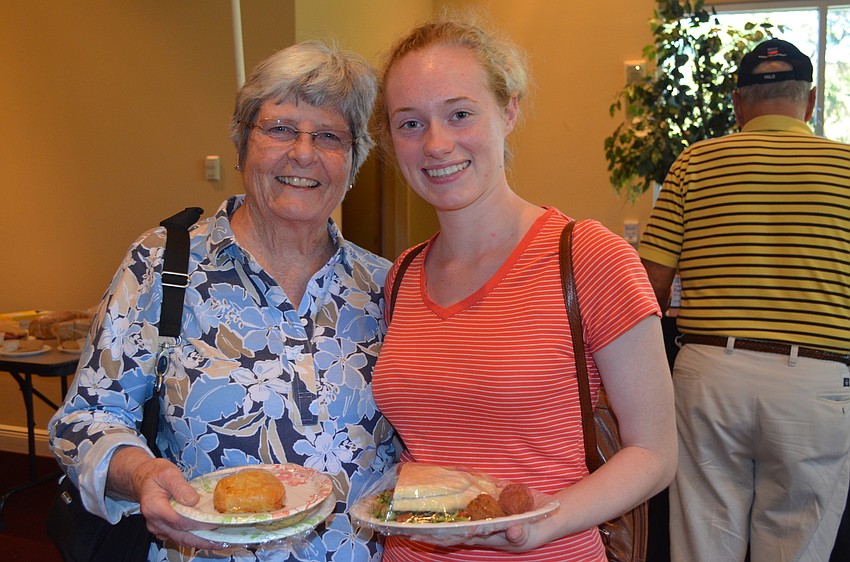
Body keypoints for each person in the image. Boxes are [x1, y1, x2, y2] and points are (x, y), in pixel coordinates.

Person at [48, 40, 398, 562]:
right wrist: (143, 474)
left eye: (328, 136)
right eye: (280, 129)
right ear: (242, 145)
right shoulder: (161, 264)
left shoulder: (387, 286)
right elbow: (86, 420)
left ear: (352, 160)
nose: (303, 153)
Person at [370, 15, 677, 562]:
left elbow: (654, 453)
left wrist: (543, 522)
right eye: (410, 124)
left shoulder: (588, 257)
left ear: (508, 111)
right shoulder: (402, 276)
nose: (436, 144)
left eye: (460, 114)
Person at [639, 38, 850, 562]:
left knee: (702, 543)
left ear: (736, 103)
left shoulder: (694, 163)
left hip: (711, 373)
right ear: (812, 99)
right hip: (818, 382)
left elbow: (650, 285)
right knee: (798, 548)